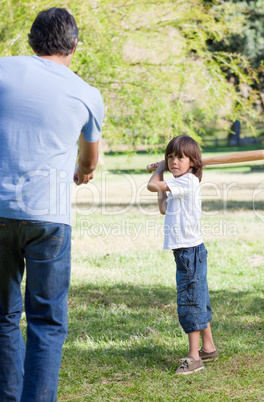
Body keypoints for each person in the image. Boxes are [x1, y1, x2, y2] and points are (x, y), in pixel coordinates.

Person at [0, 7, 104, 401]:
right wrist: (82, 171)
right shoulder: (87, 93)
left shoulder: (4, 70)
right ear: (74, 45)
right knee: (46, 321)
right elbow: (90, 159)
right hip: (50, 221)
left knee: (3, 317)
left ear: (31, 40)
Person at [147, 135, 218, 375]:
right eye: (170, 157)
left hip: (189, 252)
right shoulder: (179, 183)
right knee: (199, 298)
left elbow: (151, 185)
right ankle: (208, 347)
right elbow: (164, 207)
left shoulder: (188, 181)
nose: (174, 161)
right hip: (187, 251)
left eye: (180, 157)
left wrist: (158, 169)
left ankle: (194, 356)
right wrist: (163, 175)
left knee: (190, 301)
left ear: (192, 163)